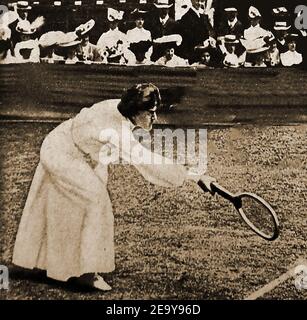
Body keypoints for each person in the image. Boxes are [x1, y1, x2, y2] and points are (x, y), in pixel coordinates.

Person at [12, 83, 215, 291]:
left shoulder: (117, 110)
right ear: (135, 111)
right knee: (97, 202)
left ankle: (54, 264)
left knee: (77, 202)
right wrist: (192, 176)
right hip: (60, 152)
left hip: (83, 152)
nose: (154, 118)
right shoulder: (116, 132)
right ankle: (87, 273)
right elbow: (146, 163)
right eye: (150, 113)